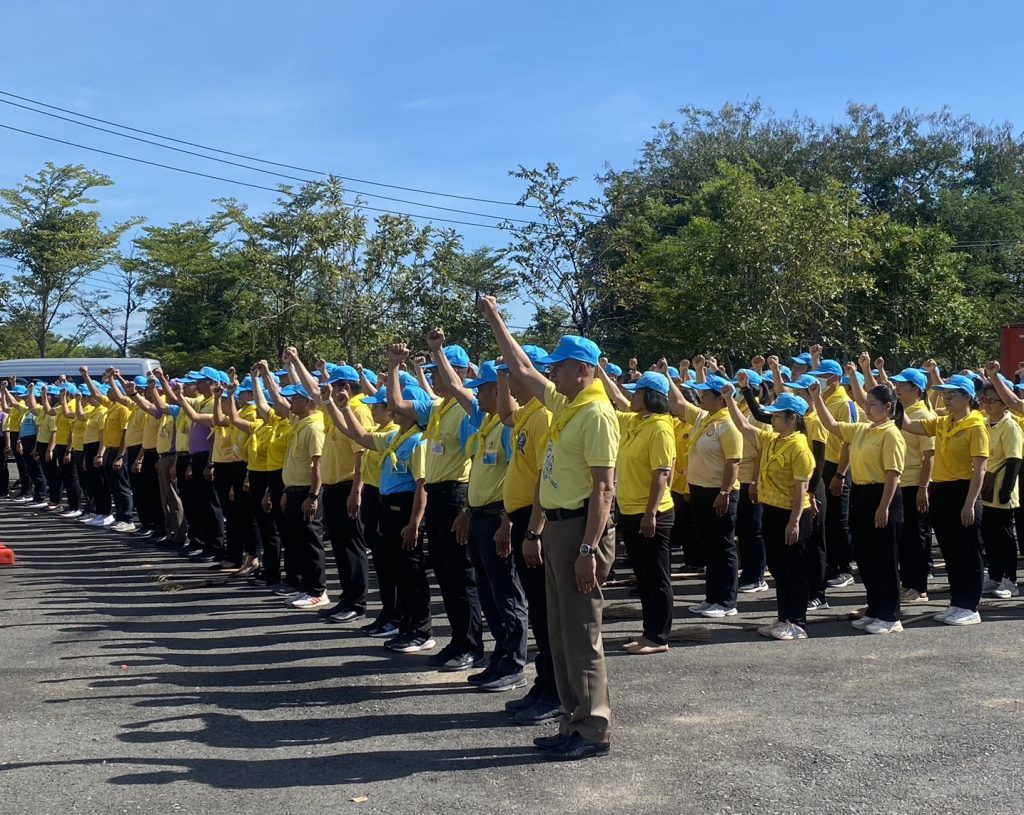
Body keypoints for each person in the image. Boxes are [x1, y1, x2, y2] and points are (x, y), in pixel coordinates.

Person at [479, 294, 618, 763]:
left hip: (581, 529)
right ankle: (572, 720)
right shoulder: (568, 406)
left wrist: (588, 548)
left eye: (560, 365)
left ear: (583, 369)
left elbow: (603, 489)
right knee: (560, 634)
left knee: (582, 635)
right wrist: (495, 318)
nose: (552, 371)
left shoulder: (596, 414)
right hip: (559, 528)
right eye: (553, 366)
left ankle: (594, 728)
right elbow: (522, 369)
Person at [430, 337, 529, 692]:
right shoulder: (486, 422)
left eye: (482, 389)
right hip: (479, 515)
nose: (476, 395)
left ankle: (514, 663)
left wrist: (507, 521)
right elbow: (456, 388)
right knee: (489, 593)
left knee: (506, 594)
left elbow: (515, 476)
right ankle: (500, 658)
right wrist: (469, 511)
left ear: (496, 391)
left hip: (498, 517)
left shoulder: (507, 428)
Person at [389, 341, 485, 672]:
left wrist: (468, 509)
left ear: (457, 372)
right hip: (438, 495)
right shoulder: (438, 408)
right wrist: (394, 366)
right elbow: (396, 404)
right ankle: (458, 640)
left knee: (462, 574)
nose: (432, 377)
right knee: (445, 573)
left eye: (438, 371)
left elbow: (476, 460)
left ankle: (472, 645)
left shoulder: (467, 409)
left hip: (457, 494)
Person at [327, 371, 435, 654]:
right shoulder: (397, 437)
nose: (391, 409)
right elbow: (361, 436)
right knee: (399, 571)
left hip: (406, 510)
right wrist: (343, 408)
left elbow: (422, 486)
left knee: (412, 573)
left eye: (397, 406)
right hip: (389, 508)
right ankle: (405, 626)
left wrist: (414, 523)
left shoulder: (418, 441)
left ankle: (420, 630)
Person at [495, 348, 561, 723]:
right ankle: (543, 682)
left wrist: (534, 530)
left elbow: (542, 478)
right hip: (521, 517)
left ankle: (554, 689)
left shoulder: (545, 415)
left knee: (545, 609)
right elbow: (505, 415)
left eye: (514, 376)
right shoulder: (527, 413)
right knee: (537, 608)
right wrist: (502, 373)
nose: (510, 385)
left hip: (537, 520)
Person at [810, 377, 906, 634]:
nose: (867, 408)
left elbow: (893, 474)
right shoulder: (863, 428)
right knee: (866, 558)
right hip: (861, 493)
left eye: (872, 404)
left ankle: (890, 616)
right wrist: (817, 396)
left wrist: (883, 507)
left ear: (888, 407)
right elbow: (831, 425)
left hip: (883, 495)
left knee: (884, 559)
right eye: (867, 403)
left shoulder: (891, 433)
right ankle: (874, 608)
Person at [723, 382, 814, 640]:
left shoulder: (800, 447)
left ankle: (797, 622)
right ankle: (784, 618)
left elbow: (801, 490)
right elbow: (744, 426)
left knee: (794, 570)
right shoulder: (773, 440)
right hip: (772, 511)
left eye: (776, 416)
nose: (771, 419)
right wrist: (729, 400)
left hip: (793, 514)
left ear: (792, 419)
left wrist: (794, 522)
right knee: (778, 569)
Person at [900, 374, 989, 626]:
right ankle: (957, 602)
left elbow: (981, 469)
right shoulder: (943, 422)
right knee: (950, 551)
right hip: (941, 490)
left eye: (952, 394)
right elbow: (909, 425)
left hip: (964, 490)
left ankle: (970, 606)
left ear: (967, 397)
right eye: (945, 394)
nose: (946, 398)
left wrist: (970, 504)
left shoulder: (975, 425)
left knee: (967, 552)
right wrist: (895, 402)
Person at [290, 356, 373, 623]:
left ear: (346, 387)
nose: (329, 390)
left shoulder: (358, 410)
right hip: (334, 487)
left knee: (352, 547)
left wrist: (356, 491)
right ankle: (347, 599)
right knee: (339, 546)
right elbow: (313, 390)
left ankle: (357, 602)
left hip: (349, 486)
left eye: (334, 386)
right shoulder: (336, 408)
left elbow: (361, 454)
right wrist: (295, 361)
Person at [666, 365, 743, 619]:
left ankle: (727, 601)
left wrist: (724, 492)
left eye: (706, 395)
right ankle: (712, 597)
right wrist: (667, 377)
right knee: (709, 546)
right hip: (699, 491)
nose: (701, 398)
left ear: (721, 399)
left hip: (719, 492)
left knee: (723, 546)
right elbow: (679, 403)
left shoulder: (728, 424)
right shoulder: (703, 417)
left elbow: (734, 462)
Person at [614, 371, 676, 654]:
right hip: (630, 509)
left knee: (656, 577)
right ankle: (648, 632)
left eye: (637, 392)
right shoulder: (637, 421)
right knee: (644, 578)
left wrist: (650, 513)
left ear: (650, 396)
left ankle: (658, 637)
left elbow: (661, 474)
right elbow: (616, 401)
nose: (632, 396)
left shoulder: (660, 427)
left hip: (651, 512)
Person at [806, 359, 858, 591]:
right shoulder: (823, 400)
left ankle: (844, 568)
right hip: (824, 464)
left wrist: (841, 474)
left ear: (835, 378)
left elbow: (849, 442)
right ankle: (831, 564)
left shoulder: (845, 403)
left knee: (840, 520)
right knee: (828, 520)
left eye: (824, 376)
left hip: (839, 466)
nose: (819, 380)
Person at [886, 368, 936, 603]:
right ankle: (907, 582)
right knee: (904, 537)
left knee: (917, 536)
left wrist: (923, 488)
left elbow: (929, 455)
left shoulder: (923, 415)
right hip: (901, 482)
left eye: (902, 386)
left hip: (915, 482)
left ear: (916, 389)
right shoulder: (902, 413)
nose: (897, 389)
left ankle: (919, 586)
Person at [975, 379, 1022, 599]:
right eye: (985, 400)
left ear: (1005, 403)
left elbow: (1014, 460)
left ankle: (1010, 579)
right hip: (985, 488)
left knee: (1004, 536)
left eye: (993, 401)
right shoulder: (984, 423)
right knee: (989, 535)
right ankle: (994, 575)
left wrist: (1006, 490)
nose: (987, 404)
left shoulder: (1010, 426)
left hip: (1002, 487)